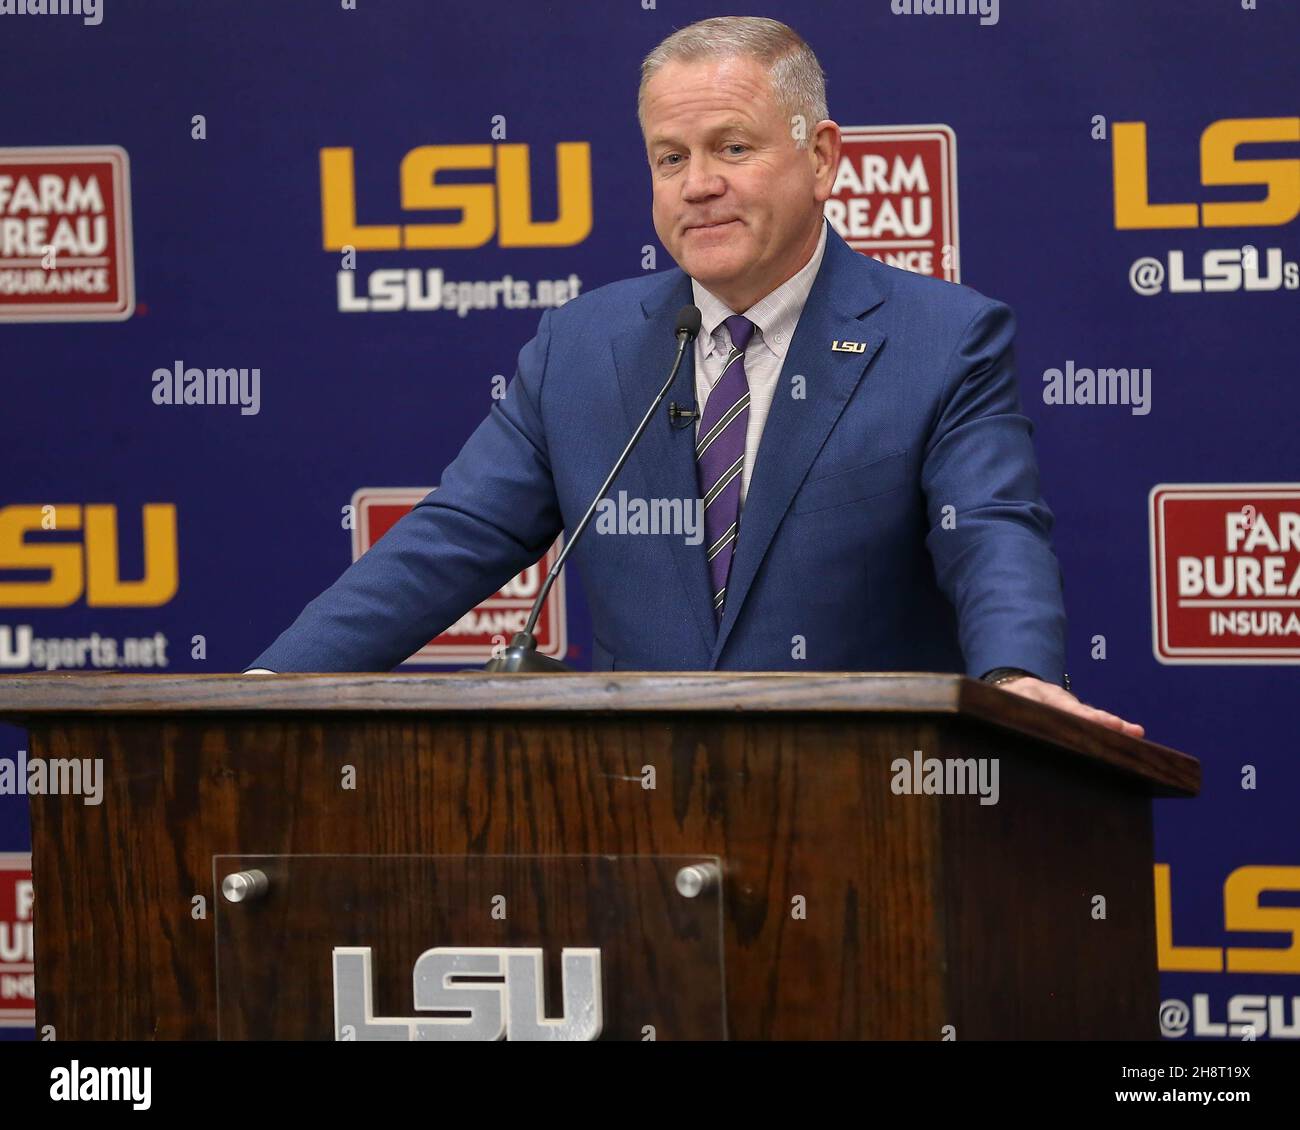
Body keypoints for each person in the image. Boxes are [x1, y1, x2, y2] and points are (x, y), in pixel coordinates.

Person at [249, 15, 1143, 739]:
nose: (698, 184)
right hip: (640, 824)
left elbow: (992, 532)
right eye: (671, 158)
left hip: (871, 812)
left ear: (823, 157)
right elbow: (446, 541)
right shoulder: (582, 346)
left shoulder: (943, 340)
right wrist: (261, 691)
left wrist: (1018, 676)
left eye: (733, 148)